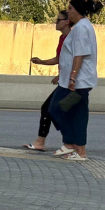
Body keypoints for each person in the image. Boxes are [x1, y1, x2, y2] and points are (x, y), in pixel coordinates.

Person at [48, 0, 103, 161]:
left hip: (77, 82)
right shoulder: (84, 26)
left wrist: (72, 77)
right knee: (75, 113)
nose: (68, 12)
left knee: (57, 109)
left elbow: (79, 54)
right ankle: (78, 150)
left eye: (70, 9)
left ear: (78, 11)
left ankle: (72, 145)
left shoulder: (81, 29)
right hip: (75, 81)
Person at [24, 10, 72, 151]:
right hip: (65, 81)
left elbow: (75, 60)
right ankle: (43, 142)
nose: (55, 23)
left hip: (71, 83)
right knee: (50, 109)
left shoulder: (71, 38)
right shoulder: (62, 38)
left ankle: (69, 143)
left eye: (58, 20)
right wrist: (41, 62)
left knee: (52, 109)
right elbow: (59, 59)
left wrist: (65, 76)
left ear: (67, 22)